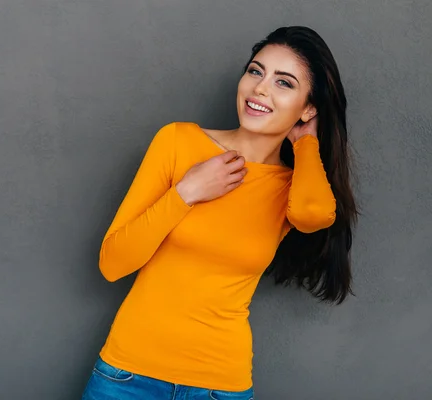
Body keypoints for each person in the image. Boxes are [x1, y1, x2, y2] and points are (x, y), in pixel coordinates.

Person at [81, 26, 358, 400]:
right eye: (256, 71)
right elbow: (113, 263)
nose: (260, 88)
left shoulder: (293, 189)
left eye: (284, 83)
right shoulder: (178, 142)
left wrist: (306, 141)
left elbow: (314, 214)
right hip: (127, 377)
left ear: (308, 108)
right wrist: (186, 193)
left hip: (218, 388)